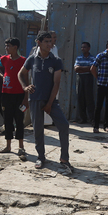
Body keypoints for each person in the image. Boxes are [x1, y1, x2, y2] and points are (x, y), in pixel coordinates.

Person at [18, 31, 72, 172]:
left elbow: (56, 84)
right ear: (39, 42)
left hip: (51, 100)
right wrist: (25, 87)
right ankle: (41, 157)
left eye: (51, 41)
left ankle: (64, 158)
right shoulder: (31, 59)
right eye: (46, 41)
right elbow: (21, 73)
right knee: (38, 130)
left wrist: (49, 103)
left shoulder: (56, 60)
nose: (50, 44)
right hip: (35, 99)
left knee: (64, 125)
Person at [0, 37, 28, 158]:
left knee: (19, 120)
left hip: (19, 94)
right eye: (6, 46)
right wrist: (2, 75)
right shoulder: (3, 59)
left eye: (9, 46)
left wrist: (26, 97)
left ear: (15, 47)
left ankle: (21, 146)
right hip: (6, 94)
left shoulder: (24, 61)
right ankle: (8, 146)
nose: (6, 48)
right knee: (7, 120)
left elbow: (27, 79)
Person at [90, 37, 108, 133]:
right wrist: (98, 78)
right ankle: (96, 126)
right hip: (102, 84)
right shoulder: (101, 56)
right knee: (98, 106)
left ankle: (106, 126)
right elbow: (92, 68)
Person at [74, 42, 96, 124]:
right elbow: (76, 69)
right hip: (80, 78)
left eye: (85, 47)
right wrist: (86, 68)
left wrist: (81, 68)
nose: (83, 49)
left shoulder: (92, 58)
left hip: (88, 78)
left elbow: (92, 69)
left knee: (89, 98)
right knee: (80, 98)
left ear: (89, 48)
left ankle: (92, 118)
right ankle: (83, 118)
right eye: (82, 47)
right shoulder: (79, 58)